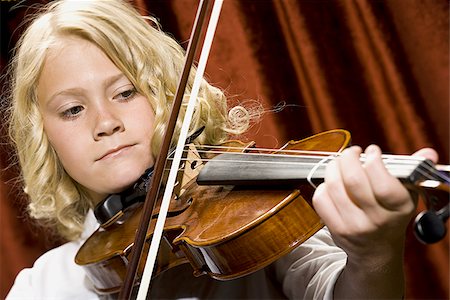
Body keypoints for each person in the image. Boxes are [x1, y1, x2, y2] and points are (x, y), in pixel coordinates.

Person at [4, 0, 438, 299]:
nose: (105, 122)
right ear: (45, 139)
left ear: (169, 93)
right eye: (73, 109)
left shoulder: (245, 213)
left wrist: (372, 254)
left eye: (126, 92)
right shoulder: (43, 286)